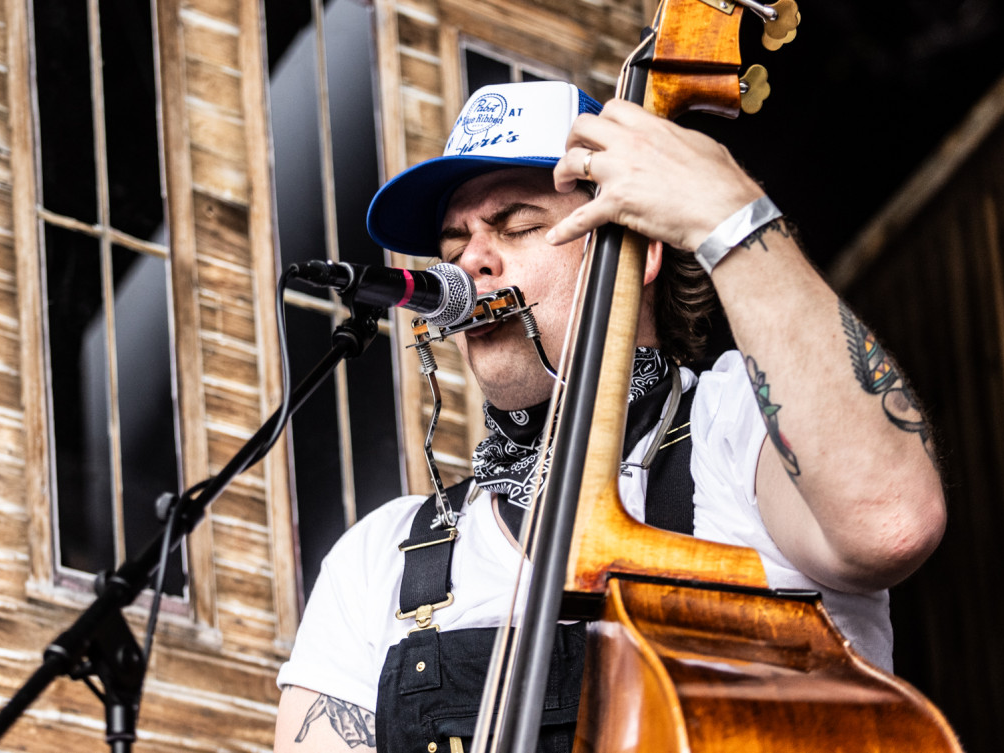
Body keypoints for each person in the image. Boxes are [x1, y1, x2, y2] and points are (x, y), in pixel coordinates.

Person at [271, 80, 947, 753]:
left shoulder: (739, 427)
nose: (471, 261)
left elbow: (889, 520)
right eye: (452, 249)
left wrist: (731, 215)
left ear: (638, 251)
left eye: (519, 225)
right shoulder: (378, 559)